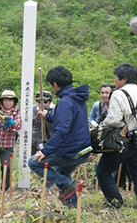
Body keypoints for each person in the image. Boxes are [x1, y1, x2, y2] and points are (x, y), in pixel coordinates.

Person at [96, 63, 137, 209]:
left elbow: (114, 119)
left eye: (116, 78)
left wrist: (101, 127)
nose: (115, 82)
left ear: (124, 79)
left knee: (103, 171)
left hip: (121, 141)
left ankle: (115, 202)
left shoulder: (118, 94)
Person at [28, 65, 91, 207]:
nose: (51, 88)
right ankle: (72, 206)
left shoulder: (64, 102)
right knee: (63, 172)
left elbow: (62, 130)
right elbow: (68, 120)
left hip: (70, 151)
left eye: (51, 85)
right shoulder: (77, 98)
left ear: (55, 85)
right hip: (83, 148)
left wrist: (45, 151)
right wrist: (48, 116)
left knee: (33, 162)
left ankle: (68, 184)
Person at [31, 91, 55, 155]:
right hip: (34, 139)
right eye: (39, 102)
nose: (42, 104)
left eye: (45, 102)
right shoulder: (32, 108)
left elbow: (56, 124)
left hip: (49, 139)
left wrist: (47, 116)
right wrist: (37, 118)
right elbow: (29, 124)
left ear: (49, 102)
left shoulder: (54, 109)